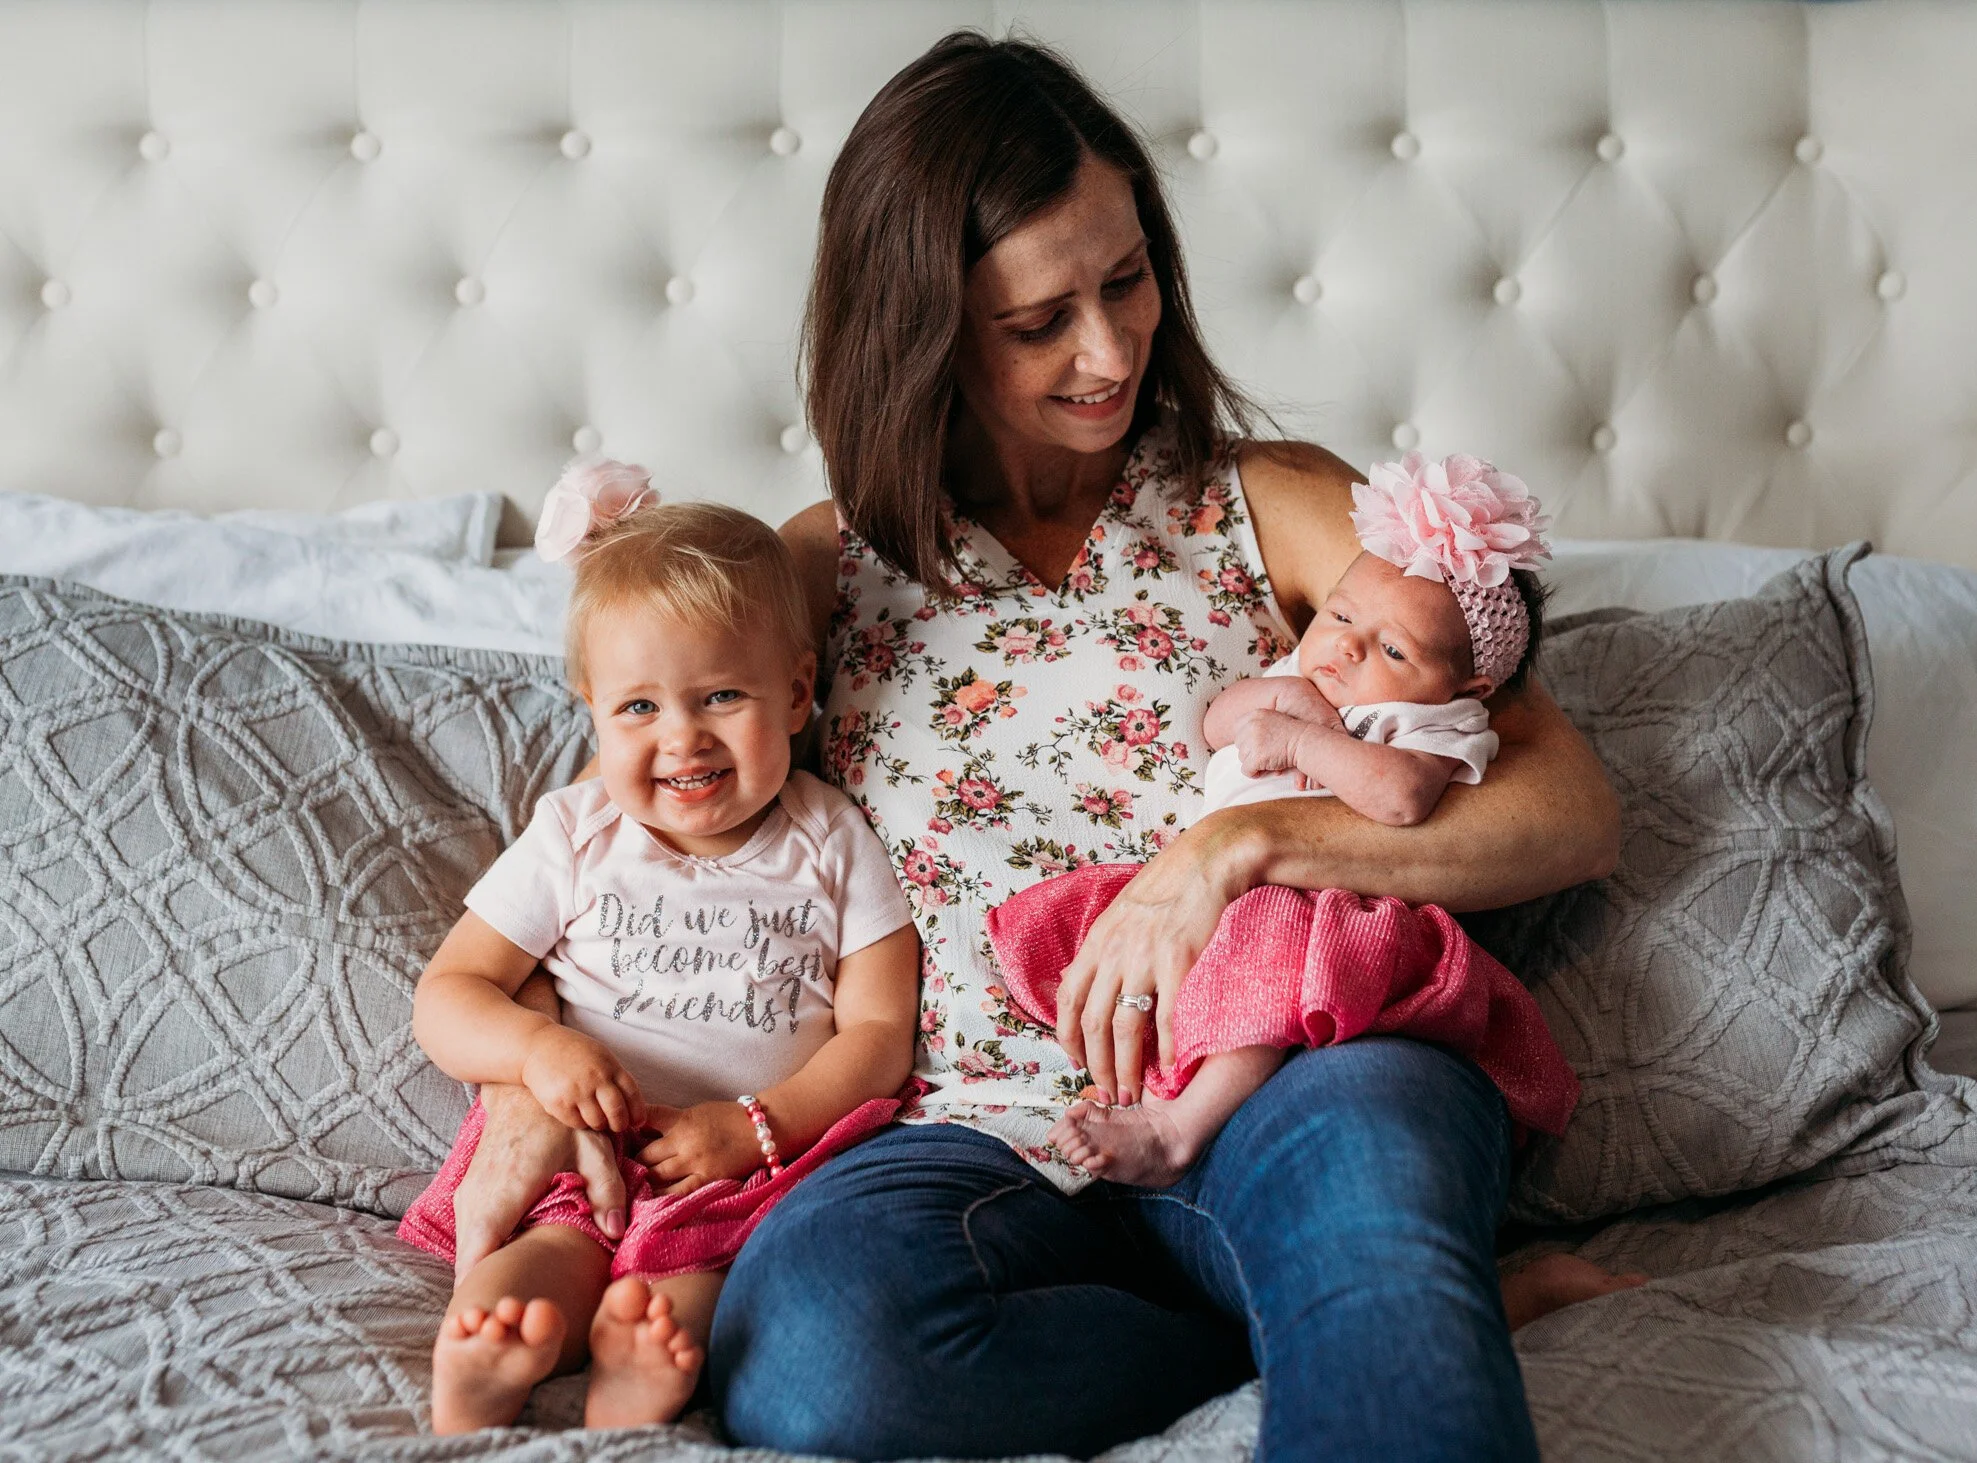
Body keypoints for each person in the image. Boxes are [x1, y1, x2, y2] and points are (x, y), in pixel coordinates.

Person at [449, 32, 1630, 1461]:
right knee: (809, 1360)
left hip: (1284, 1067)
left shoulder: (1270, 502)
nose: (1110, 350)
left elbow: (1569, 806)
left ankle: (1365, 1293)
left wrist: (1235, 848)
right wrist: (524, 1077)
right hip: (968, 1141)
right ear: (924, 328)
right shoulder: (819, 572)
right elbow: (609, 843)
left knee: (1367, 1212)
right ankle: (1315, 1321)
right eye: (1038, 320)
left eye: (1127, 281)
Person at [400, 473, 919, 1434]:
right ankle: (490, 1352)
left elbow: (881, 1032)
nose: (683, 737)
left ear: (796, 691)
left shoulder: (832, 837)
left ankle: (634, 1378)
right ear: (591, 709)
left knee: (692, 1293)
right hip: (583, 1148)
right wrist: (539, 1052)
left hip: (739, 1169)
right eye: (638, 707)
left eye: (721, 695)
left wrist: (757, 1127)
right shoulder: (576, 832)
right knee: (547, 1257)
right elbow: (451, 991)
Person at [996, 452, 1579, 1189]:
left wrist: (1307, 743)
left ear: (1470, 687)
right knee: (1093, 930)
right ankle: (1107, 1076)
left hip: (1312, 905)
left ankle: (1179, 1129)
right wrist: (1281, 703)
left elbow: (1402, 798)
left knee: (1263, 976)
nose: (1348, 646)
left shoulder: (1433, 724)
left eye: (1393, 649)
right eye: (1341, 615)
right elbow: (1218, 725)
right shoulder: (1302, 676)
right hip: (1205, 891)